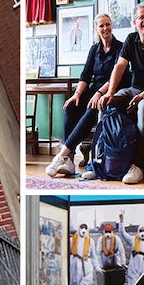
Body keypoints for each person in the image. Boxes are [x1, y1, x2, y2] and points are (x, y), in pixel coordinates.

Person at [91, 3, 144, 184]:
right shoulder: (130, 39)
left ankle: (137, 165)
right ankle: (102, 160)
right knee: (106, 103)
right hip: (134, 90)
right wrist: (110, 93)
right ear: (135, 22)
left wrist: (143, 95)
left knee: (143, 107)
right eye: (141, 17)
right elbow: (120, 66)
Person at [45, 14, 127, 178]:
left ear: (112, 26)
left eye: (108, 25)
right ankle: (69, 161)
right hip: (93, 89)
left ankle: (62, 155)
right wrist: (76, 95)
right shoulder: (94, 49)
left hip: (112, 90)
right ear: (96, 29)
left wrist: (98, 94)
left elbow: (115, 77)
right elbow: (85, 75)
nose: (105, 28)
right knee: (70, 106)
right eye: (101, 26)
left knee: (92, 106)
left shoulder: (121, 47)